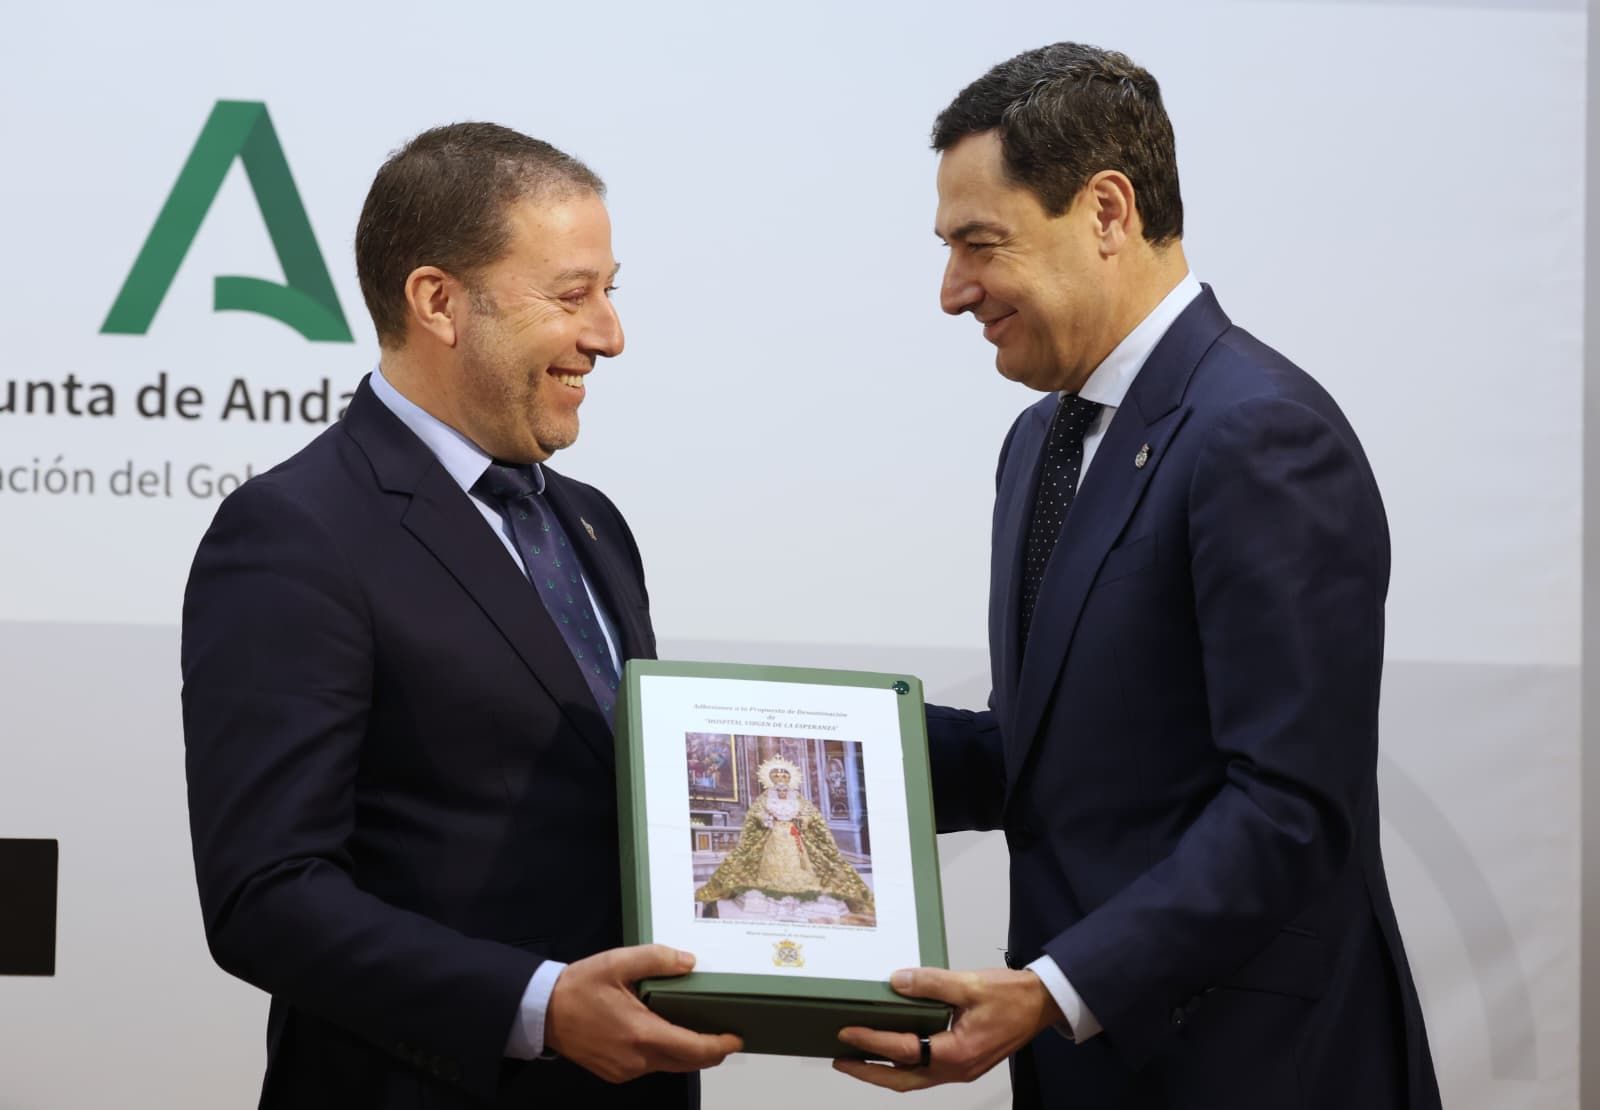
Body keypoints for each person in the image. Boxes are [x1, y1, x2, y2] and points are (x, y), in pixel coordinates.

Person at [834, 43, 1442, 1110]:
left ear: (1107, 210)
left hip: (1252, 1073)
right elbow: (1057, 759)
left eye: (980, 243)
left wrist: (1053, 991)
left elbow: (1289, 810)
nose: (950, 291)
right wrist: (781, 748)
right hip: (1098, 1071)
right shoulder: (1041, 441)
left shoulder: (1259, 436)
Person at [181, 123, 739, 1109]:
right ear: (437, 301)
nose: (610, 334)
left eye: (612, 290)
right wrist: (540, 1007)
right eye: (573, 295)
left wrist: (1027, 750)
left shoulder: (590, 523)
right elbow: (266, 897)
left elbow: (638, 785)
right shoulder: (293, 532)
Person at [694, 756, 873, 920]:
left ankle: (801, 890)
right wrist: (764, 819)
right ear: (771, 780)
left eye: (784, 777)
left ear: (790, 779)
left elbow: (811, 814)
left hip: (794, 835)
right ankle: (771, 888)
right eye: (777, 777)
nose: (781, 781)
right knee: (771, 863)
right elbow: (755, 813)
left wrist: (805, 819)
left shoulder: (798, 798)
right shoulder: (766, 797)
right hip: (774, 836)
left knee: (801, 863)